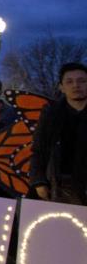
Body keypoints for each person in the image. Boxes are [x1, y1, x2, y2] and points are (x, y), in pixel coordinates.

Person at [31, 62, 87, 205]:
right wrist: (39, 181)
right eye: (69, 81)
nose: (76, 85)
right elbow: (39, 148)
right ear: (61, 87)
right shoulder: (51, 113)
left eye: (82, 81)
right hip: (60, 183)